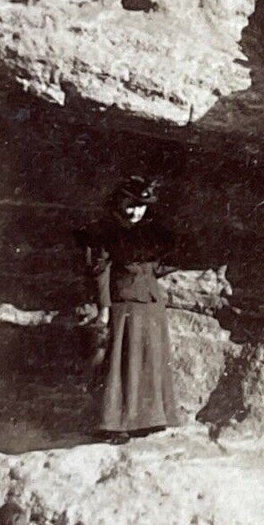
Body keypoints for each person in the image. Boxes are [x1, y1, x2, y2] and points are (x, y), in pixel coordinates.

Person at [84, 177, 180, 438]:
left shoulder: (149, 230)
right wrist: (104, 308)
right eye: (131, 205)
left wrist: (153, 271)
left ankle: (148, 419)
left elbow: (160, 263)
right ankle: (117, 424)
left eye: (142, 206)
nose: (136, 211)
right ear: (119, 202)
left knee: (149, 361)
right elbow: (100, 273)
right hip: (124, 306)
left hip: (150, 304)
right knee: (121, 366)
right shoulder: (105, 232)